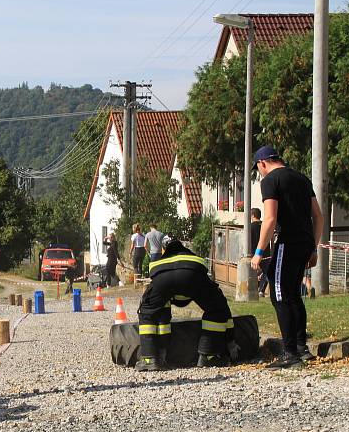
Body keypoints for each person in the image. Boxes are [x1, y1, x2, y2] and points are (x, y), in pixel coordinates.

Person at [250, 146, 324, 368]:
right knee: (293, 294)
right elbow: (318, 216)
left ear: (263, 163)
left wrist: (259, 252)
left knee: (280, 295)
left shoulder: (271, 180)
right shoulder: (302, 178)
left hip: (287, 243)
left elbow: (270, 218)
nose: (260, 173)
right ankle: (302, 349)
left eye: (258, 169)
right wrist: (313, 247)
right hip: (304, 243)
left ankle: (290, 354)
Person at [136, 238, 237, 371]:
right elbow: (223, 308)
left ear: (164, 250)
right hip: (192, 277)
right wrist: (230, 340)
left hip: (162, 280)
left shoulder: (159, 261)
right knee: (217, 308)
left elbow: (154, 287)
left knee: (148, 312)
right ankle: (209, 356)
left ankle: (150, 358)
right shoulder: (194, 258)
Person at [250, 208, 272, 297]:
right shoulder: (264, 225)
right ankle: (261, 290)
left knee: (253, 273)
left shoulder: (250, 227)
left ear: (252, 215)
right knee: (267, 273)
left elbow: (250, 241)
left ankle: (254, 290)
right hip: (266, 253)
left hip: (255, 254)